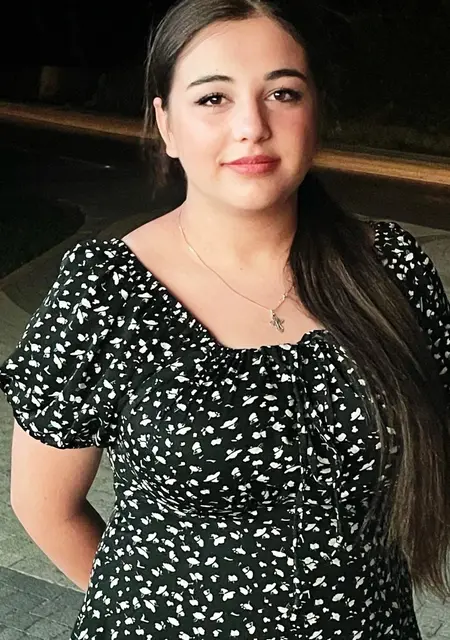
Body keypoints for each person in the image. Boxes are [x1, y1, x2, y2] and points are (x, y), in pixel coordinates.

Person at [1, 0, 449, 638]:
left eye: (283, 93)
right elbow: (45, 506)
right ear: (167, 123)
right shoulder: (105, 291)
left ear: (316, 111)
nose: (251, 126)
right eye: (213, 98)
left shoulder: (390, 270)